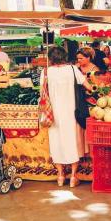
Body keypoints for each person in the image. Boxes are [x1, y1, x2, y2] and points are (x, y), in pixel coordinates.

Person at [43, 45, 86, 187]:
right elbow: (88, 85)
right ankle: (73, 177)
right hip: (72, 113)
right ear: (64, 56)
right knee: (72, 142)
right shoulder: (73, 69)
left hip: (53, 114)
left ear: (51, 58)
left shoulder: (46, 72)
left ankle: (60, 176)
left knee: (56, 142)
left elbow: (42, 93)